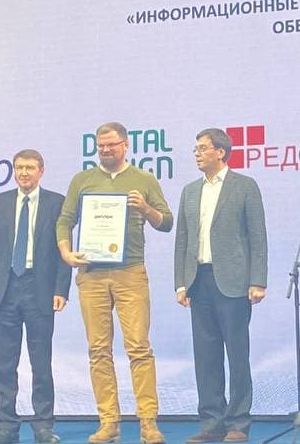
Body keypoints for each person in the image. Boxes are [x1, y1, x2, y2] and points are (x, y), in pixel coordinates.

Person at [57, 122, 174, 444]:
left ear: (125, 145)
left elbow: (166, 222)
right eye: (101, 146)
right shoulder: (82, 180)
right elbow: (65, 220)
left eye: (112, 144)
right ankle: (108, 422)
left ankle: (148, 422)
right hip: (91, 274)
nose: (106, 150)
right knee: (98, 350)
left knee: (138, 347)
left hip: (130, 272)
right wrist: (66, 252)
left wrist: (145, 208)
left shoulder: (144, 179)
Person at [175, 129, 268, 443]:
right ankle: (212, 422)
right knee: (206, 356)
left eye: (203, 148)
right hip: (198, 281)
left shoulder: (244, 186)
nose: (197, 153)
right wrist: (180, 283)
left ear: (221, 152)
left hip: (234, 283)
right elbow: (182, 240)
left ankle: (238, 423)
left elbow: (258, 237)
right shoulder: (190, 191)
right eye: (195, 148)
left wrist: (257, 280)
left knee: (237, 354)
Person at [0, 149, 73, 444]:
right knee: (4, 364)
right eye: (19, 167)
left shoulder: (57, 203)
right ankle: (7, 427)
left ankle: (43, 426)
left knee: (41, 362)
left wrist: (61, 289)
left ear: (41, 171)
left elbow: (64, 250)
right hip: (5, 290)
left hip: (40, 289)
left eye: (30, 168)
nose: (23, 173)